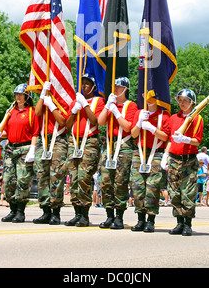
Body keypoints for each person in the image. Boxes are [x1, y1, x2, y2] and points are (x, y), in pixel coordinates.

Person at [0, 83, 41, 223]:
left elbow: (35, 132)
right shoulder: (11, 112)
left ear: (27, 97)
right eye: (16, 94)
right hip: (10, 149)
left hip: (25, 149)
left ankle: (20, 211)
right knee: (7, 181)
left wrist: (33, 149)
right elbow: (8, 131)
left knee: (22, 180)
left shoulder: (32, 112)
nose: (18, 97)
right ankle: (12, 209)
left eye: (20, 94)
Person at [97, 77, 138, 230]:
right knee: (105, 181)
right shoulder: (111, 104)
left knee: (120, 182)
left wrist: (116, 112)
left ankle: (119, 216)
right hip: (109, 145)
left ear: (125, 89)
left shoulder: (131, 106)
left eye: (118, 87)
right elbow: (100, 122)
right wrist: (108, 106)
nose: (115, 89)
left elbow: (128, 127)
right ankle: (109, 215)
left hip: (124, 145)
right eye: (114, 86)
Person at [65, 74, 105, 227]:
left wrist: (85, 105)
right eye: (83, 84)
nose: (84, 86)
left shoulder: (98, 101)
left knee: (84, 177)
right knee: (74, 178)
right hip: (74, 141)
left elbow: (95, 121)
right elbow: (68, 125)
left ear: (94, 86)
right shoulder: (76, 102)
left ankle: (85, 215)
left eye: (87, 84)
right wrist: (75, 110)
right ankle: (77, 213)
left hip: (89, 141)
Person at [163, 88, 204, 236]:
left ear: (192, 103)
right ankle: (179, 222)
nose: (181, 103)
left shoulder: (197, 119)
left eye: (184, 100)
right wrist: (165, 155)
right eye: (179, 100)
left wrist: (186, 139)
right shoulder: (174, 118)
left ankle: (188, 224)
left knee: (188, 193)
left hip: (188, 160)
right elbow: (169, 139)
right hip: (174, 159)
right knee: (174, 192)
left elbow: (197, 141)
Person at [130, 92, 171, 232]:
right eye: (146, 96)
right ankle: (140, 219)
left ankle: (151, 219)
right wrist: (140, 122)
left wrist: (152, 128)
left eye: (152, 96)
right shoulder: (139, 113)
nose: (149, 99)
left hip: (156, 152)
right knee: (137, 186)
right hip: (140, 151)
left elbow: (165, 137)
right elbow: (134, 134)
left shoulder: (164, 115)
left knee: (153, 186)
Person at [32, 80, 69, 225]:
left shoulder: (62, 101)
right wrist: (42, 95)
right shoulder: (44, 98)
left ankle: (56, 212)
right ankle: (45, 211)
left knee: (56, 176)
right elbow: (37, 112)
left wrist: (52, 106)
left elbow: (63, 122)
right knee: (42, 176)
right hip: (43, 140)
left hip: (58, 140)